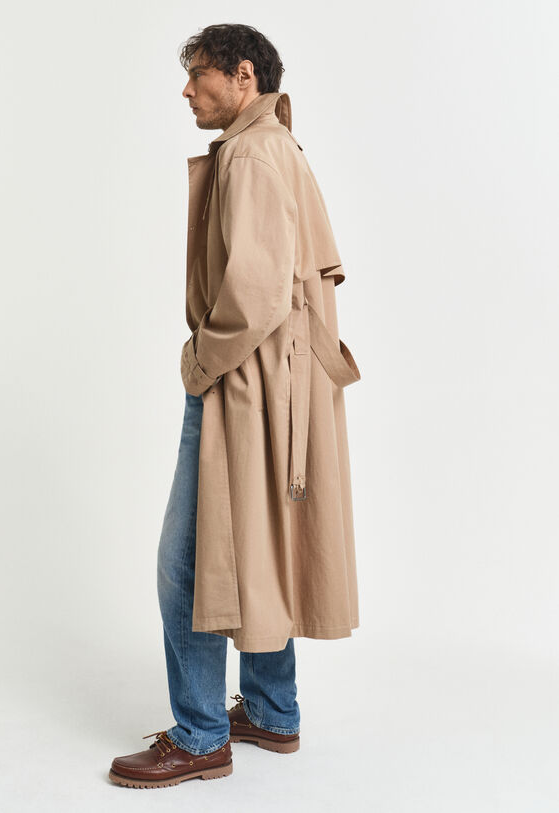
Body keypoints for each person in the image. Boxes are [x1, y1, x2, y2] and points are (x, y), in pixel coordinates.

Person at [109, 23, 361, 789]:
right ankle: (273, 711)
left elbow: (253, 294)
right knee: (261, 541)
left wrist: (198, 362)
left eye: (199, 74)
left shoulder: (251, 153)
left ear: (243, 75)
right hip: (280, 384)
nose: (187, 90)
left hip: (241, 383)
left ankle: (199, 735)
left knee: (187, 561)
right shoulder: (279, 144)